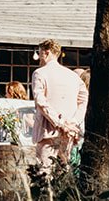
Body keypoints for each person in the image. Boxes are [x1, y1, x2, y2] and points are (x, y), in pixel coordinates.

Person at [30, 39, 87, 172]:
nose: (39, 58)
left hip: (47, 131)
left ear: (46, 52)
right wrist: (73, 122)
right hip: (68, 132)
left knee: (44, 173)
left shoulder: (40, 73)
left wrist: (60, 123)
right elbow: (83, 101)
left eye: (39, 53)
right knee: (64, 172)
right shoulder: (73, 76)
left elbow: (41, 101)